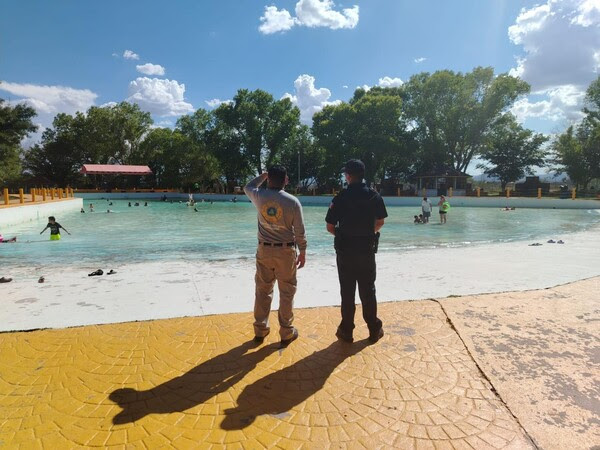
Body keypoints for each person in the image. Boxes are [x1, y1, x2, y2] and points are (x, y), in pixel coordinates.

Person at [244, 166, 307, 347]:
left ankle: (260, 330)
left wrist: (263, 176)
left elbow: (248, 187)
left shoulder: (259, 196)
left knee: (262, 291)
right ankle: (286, 331)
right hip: (286, 252)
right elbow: (300, 231)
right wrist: (303, 251)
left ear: (269, 179)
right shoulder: (293, 202)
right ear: (285, 180)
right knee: (287, 292)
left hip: (264, 250)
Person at [326, 159, 387, 344]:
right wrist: (366, 233)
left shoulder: (340, 197)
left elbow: (330, 226)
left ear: (348, 176)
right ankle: (374, 329)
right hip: (366, 249)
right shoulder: (374, 196)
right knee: (368, 290)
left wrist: (345, 234)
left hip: (345, 251)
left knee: (347, 291)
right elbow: (380, 222)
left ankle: (346, 330)